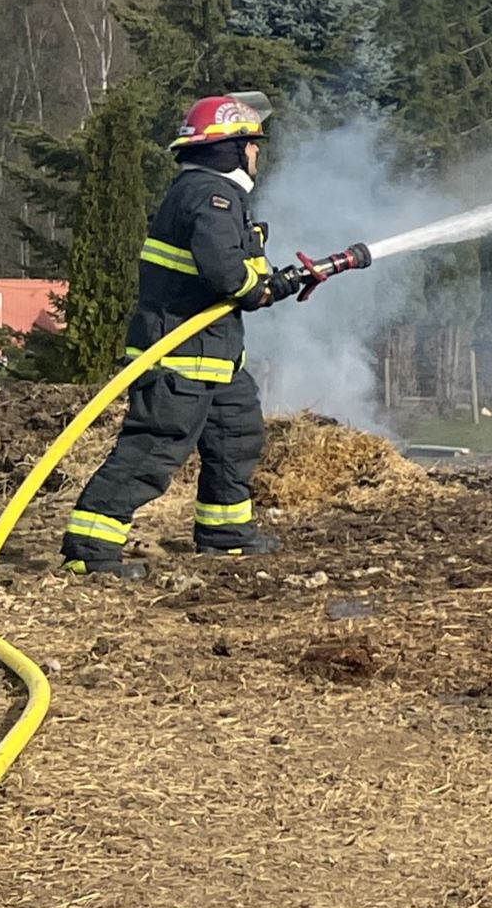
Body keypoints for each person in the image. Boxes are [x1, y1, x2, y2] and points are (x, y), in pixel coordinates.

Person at [61, 93, 313, 580]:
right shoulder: (209, 195)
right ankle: (90, 548)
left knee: (236, 437)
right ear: (230, 149)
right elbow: (227, 277)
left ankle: (224, 534)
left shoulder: (222, 197)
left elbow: (249, 276)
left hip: (216, 356)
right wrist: (259, 289)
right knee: (154, 449)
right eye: (252, 144)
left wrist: (272, 283)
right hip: (178, 354)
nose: (258, 153)